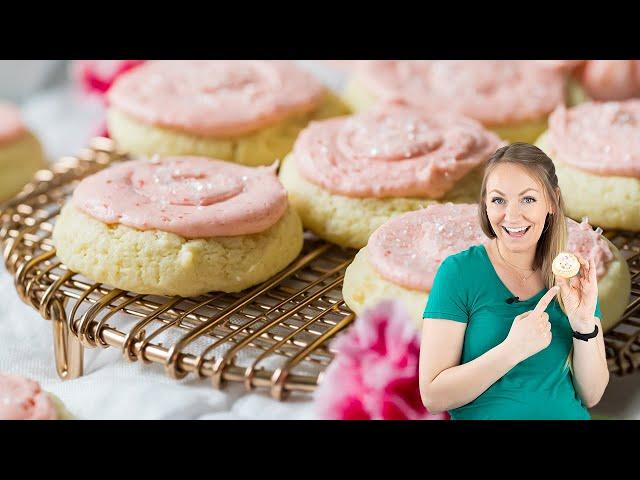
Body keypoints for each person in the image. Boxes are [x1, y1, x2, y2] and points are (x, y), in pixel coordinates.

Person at [419, 142, 609, 420]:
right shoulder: (459, 272)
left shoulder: (572, 278)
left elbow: (591, 394)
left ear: (552, 202)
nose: (512, 215)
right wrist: (512, 350)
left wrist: (583, 325)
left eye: (528, 199)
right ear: (485, 204)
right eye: (498, 200)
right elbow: (434, 395)